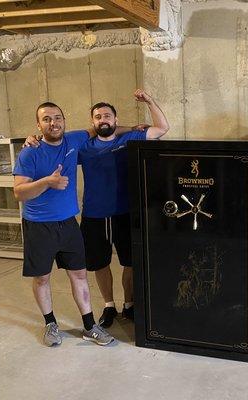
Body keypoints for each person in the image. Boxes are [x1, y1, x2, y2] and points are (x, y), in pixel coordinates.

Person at [13, 102, 115, 347]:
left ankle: (90, 326)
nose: (53, 123)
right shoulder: (30, 152)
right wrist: (47, 182)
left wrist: (135, 127)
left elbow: (103, 128)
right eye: (46, 119)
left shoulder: (74, 139)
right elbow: (19, 192)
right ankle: (50, 324)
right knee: (42, 279)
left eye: (57, 118)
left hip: (68, 223)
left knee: (79, 274)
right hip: (39, 226)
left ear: (64, 120)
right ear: (38, 125)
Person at [79, 89, 169, 327]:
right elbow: (56, 142)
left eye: (107, 116)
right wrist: (32, 139)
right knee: (100, 263)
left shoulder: (128, 140)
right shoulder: (84, 147)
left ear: (115, 120)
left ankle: (129, 304)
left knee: (130, 262)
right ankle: (109, 306)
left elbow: (161, 128)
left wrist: (149, 100)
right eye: (98, 117)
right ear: (93, 122)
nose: (103, 120)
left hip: (126, 212)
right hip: (94, 215)